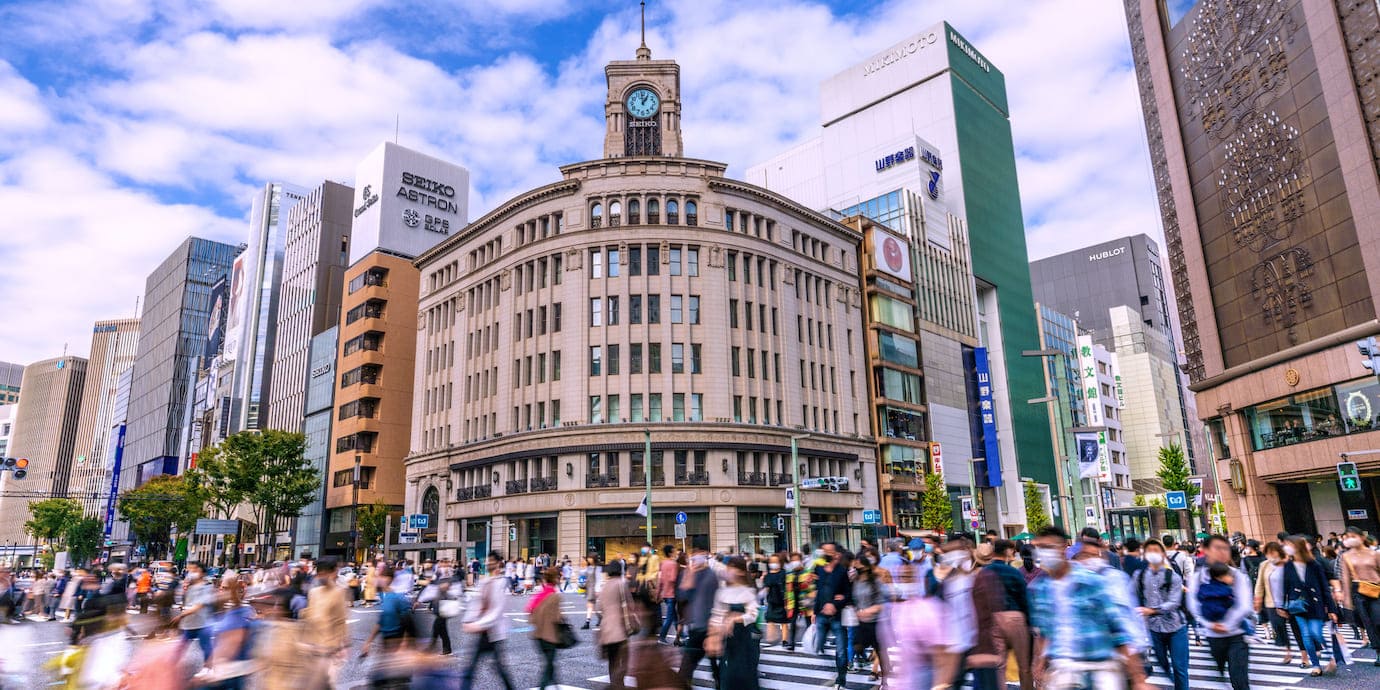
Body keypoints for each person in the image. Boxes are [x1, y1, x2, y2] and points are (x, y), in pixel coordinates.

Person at [1028, 525, 1142, 690]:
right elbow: (1044, 632)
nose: (1044, 553)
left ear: (1063, 548)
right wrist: (1040, 663)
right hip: (1063, 671)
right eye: (1039, 548)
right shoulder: (1040, 589)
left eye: (1048, 547)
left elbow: (1117, 628)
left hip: (1099, 670)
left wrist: (1138, 678)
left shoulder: (1091, 581)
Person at [1187, 534, 1255, 689]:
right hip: (1213, 636)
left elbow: (1244, 604)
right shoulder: (1198, 578)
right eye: (1217, 548)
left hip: (1237, 634)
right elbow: (1193, 605)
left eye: (1225, 548)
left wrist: (1227, 624)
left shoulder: (1237, 576)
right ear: (1205, 550)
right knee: (1220, 668)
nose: (1222, 552)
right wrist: (1210, 625)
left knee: (1239, 678)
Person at [972, 539, 1032, 690]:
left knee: (999, 666)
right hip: (1015, 617)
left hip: (994, 620)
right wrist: (1029, 623)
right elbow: (1024, 598)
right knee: (1024, 665)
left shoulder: (983, 573)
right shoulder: (1014, 572)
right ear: (1007, 551)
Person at [1279, 534, 1339, 676]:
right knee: (1306, 635)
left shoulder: (1314, 564)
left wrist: (1331, 609)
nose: (1286, 548)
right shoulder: (1288, 565)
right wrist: (1281, 606)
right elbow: (1284, 587)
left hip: (1315, 604)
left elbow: (1324, 587)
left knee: (1315, 633)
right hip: (1297, 605)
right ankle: (1316, 665)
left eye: (1289, 545)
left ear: (1298, 547)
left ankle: (1331, 657)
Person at [1134, 539, 1188, 690]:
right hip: (1153, 628)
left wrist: (1151, 611)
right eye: (1149, 550)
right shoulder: (1140, 576)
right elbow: (1134, 597)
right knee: (1163, 664)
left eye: (1156, 550)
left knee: (1179, 667)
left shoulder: (1173, 576)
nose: (1153, 553)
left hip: (1176, 627)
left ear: (1163, 554)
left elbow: (1174, 602)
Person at [459, 551, 516, 690]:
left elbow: (497, 611)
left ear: (498, 563)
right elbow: (476, 603)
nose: (488, 563)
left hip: (495, 633)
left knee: (498, 669)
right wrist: (468, 620)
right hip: (484, 633)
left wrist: (478, 625)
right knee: (472, 667)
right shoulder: (485, 581)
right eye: (487, 561)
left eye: (491, 561)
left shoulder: (502, 583)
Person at [708, 556, 760, 689]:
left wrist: (735, 619)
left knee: (746, 678)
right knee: (728, 677)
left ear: (741, 572)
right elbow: (716, 616)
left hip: (745, 642)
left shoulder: (748, 591)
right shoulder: (721, 592)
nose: (728, 572)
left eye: (732, 568)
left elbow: (753, 615)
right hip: (728, 642)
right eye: (728, 568)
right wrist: (713, 636)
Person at [933, 540, 977, 687]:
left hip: (973, 640)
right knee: (954, 681)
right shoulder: (949, 581)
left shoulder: (972, 578)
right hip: (956, 642)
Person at [1256, 541, 1306, 667]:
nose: (1271, 556)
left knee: (1297, 628)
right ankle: (1288, 651)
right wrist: (1257, 599)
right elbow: (1260, 584)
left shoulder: (1289, 563)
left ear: (1279, 552)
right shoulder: (1264, 565)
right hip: (1272, 603)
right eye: (1268, 553)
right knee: (1279, 628)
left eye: (1273, 553)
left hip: (1291, 602)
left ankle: (1304, 654)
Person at [303, 557, 350, 687]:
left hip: (330, 650)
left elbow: (341, 621)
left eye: (325, 573)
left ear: (333, 573)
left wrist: (343, 646)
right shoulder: (313, 592)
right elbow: (309, 617)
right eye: (320, 573)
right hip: (313, 648)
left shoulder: (339, 593)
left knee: (327, 683)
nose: (322, 577)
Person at [812, 542, 852, 690]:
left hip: (837, 616)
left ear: (836, 554)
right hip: (821, 614)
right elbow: (818, 592)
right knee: (818, 645)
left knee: (841, 650)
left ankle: (841, 678)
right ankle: (834, 667)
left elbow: (848, 594)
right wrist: (814, 612)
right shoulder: (819, 569)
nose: (825, 553)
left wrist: (836, 603)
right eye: (824, 551)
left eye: (828, 551)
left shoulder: (841, 571)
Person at [677, 546, 720, 687]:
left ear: (705, 555)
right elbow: (682, 596)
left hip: (708, 626)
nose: (696, 558)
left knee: (687, 665)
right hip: (695, 625)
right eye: (694, 555)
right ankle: (719, 680)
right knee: (711, 662)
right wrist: (688, 577)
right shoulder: (689, 574)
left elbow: (714, 600)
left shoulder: (711, 575)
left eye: (699, 554)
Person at [1337, 528, 1380, 665]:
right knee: (1369, 624)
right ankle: (1378, 651)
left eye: (1353, 536)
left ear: (1362, 537)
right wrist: (1347, 601)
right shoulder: (1346, 556)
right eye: (1347, 537)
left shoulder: (1374, 554)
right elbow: (1345, 578)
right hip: (1358, 592)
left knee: (1378, 620)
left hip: (1376, 590)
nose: (1350, 539)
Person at [850, 553, 890, 683]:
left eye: (859, 566)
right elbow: (854, 600)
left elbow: (882, 603)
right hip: (861, 622)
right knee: (857, 646)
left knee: (880, 651)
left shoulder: (876, 581)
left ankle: (885, 680)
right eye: (855, 566)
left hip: (877, 622)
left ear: (866, 567)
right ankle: (868, 660)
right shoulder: (855, 581)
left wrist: (868, 611)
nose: (856, 568)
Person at [595, 560, 633, 690]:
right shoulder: (622, 584)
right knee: (625, 659)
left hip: (606, 630)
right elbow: (629, 605)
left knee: (612, 660)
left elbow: (598, 608)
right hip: (620, 629)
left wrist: (606, 617)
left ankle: (615, 684)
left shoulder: (604, 586)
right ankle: (618, 684)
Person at [171, 562, 216, 671]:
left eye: (195, 570)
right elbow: (186, 602)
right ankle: (170, 666)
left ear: (202, 573)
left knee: (206, 647)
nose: (191, 572)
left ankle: (208, 669)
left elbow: (198, 606)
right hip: (190, 623)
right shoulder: (190, 586)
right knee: (180, 647)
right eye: (190, 570)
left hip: (202, 623)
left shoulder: (206, 587)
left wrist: (181, 616)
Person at [528, 566, 567, 689]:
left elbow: (529, 609)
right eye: (558, 577)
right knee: (549, 665)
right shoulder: (555, 595)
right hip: (549, 636)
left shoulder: (541, 593)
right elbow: (558, 618)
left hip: (538, 635)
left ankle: (556, 686)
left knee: (550, 664)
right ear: (555, 579)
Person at [760, 553, 790, 647]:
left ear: (780, 562)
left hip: (782, 600)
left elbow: (787, 587)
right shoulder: (767, 575)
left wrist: (788, 601)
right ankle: (771, 637)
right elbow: (766, 588)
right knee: (770, 619)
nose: (773, 563)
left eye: (775, 561)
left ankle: (784, 640)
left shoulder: (784, 573)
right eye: (772, 561)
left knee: (784, 621)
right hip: (771, 600)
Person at [656, 544, 681, 644]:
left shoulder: (662, 563)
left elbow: (660, 580)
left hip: (665, 594)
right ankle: (662, 637)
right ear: (670, 553)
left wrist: (658, 593)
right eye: (674, 551)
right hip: (672, 593)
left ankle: (680, 637)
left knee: (674, 616)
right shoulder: (673, 564)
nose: (675, 553)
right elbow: (673, 579)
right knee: (670, 617)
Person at [582, 555, 600, 629]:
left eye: (590, 558)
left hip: (593, 589)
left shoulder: (597, 568)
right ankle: (600, 617)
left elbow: (598, 579)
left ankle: (587, 622)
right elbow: (582, 574)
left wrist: (597, 590)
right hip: (589, 589)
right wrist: (583, 566)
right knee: (593, 606)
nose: (589, 559)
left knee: (590, 605)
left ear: (594, 559)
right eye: (588, 558)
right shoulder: (588, 568)